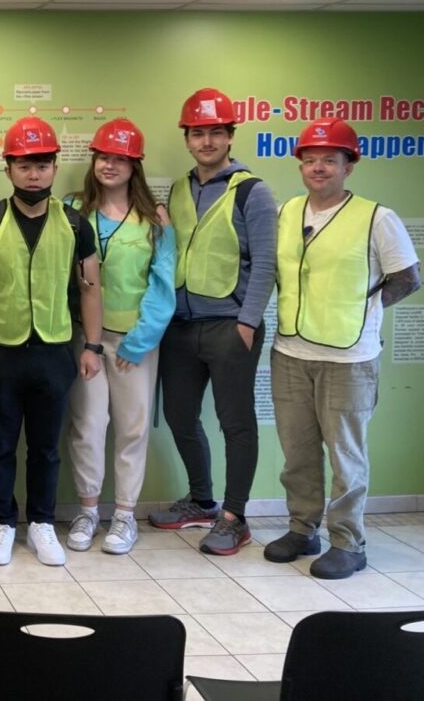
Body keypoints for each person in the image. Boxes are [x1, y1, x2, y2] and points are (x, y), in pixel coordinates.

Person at [265, 118, 419, 579]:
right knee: (298, 452)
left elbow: (408, 278)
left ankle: (349, 543)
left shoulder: (377, 217)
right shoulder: (288, 211)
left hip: (350, 359)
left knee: (346, 456)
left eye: (329, 161)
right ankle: (302, 529)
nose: (318, 169)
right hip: (291, 351)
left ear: (348, 166)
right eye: (310, 161)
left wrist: (366, 311)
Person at [0, 116, 102, 568]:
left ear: (54, 167)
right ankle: (1, 524)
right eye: (24, 165)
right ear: (8, 169)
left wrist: (92, 345)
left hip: (53, 351)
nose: (34, 173)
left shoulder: (76, 224)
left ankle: (42, 522)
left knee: (45, 447)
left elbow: (89, 288)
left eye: (42, 164)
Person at [149, 88, 277, 556]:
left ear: (229, 136)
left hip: (230, 326)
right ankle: (201, 500)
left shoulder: (253, 191)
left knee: (235, 422)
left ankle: (234, 517)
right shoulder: (180, 188)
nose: (206, 141)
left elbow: (265, 262)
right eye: (198, 132)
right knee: (180, 416)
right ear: (186, 138)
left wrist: (247, 322)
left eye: (215, 132)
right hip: (181, 326)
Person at [64, 119, 175, 555]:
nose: (109, 165)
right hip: (84, 339)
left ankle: (124, 516)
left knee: (132, 428)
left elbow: (163, 285)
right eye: (103, 156)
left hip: (136, 344)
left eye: (119, 158)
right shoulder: (73, 209)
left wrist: (139, 340)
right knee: (88, 425)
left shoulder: (155, 218)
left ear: (135, 165)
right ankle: (88, 511)